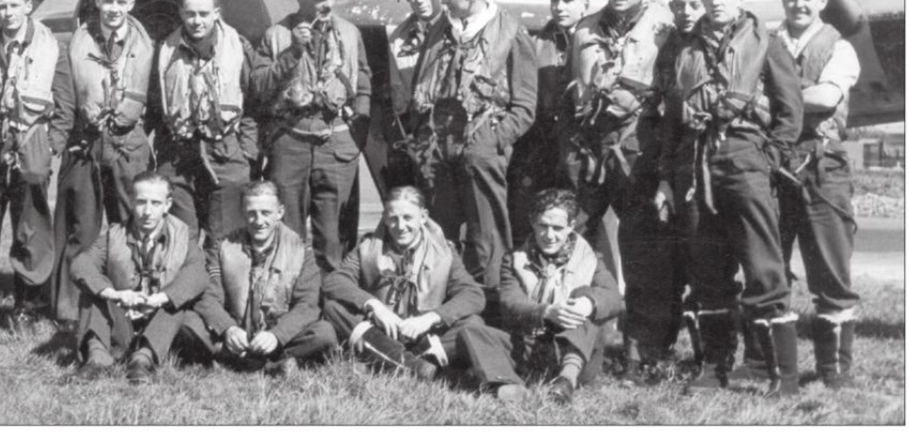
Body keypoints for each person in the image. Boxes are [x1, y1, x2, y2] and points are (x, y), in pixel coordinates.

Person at [661, 0, 804, 397]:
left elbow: (790, 110)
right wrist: (669, 173)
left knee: (763, 267)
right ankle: (715, 367)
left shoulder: (766, 43)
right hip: (695, 162)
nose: (715, 2)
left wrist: (768, 158)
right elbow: (671, 116)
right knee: (707, 268)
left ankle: (781, 374)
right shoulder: (683, 47)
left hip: (744, 158)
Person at [564, 0, 672, 378]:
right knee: (578, 249)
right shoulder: (585, 29)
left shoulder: (662, 24)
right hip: (592, 153)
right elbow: (576, 91)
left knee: (641, 253)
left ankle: (639, 355)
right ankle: (578, 349)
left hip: (637, 152)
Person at [322, 186, 525, 402]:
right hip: (383, 330)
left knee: (472, 323)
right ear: (385, 218)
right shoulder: (368, 247)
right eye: (393, 218)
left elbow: (472, 294)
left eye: (408, 217)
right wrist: (374, 305)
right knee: (334, 308)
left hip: (428, 336)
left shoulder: (444, 250)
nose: (401, 226)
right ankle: (416, 366)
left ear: (423, 217)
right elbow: (335, 281)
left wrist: (431, 318)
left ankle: (388, 361)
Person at [408, 0, 537, 287]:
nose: (443, 0)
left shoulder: (510, 33)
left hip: (481, 145)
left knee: (487, 238)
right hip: (437, 146)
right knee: (438, 232)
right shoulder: (440, 28)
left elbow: (525, 105)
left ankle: (491, 305)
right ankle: (444, 302)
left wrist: (491, 143)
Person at [49, 0, 157, 326]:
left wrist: (136, 132)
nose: (113, 8)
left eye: (120, 2)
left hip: (128, 145)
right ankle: (71, 310)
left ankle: (134, 305)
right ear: (96, 2)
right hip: (85, 144)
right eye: (107, 1)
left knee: (132, 225)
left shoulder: (149, 47)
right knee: (81, 228)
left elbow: (157, 100)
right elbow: (65, 96)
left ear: (131, 4)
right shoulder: (74, 44)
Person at [250, 0, 371, 272]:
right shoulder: (276, 35)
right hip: (290, 140)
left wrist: (357, 131)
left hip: (336, 142)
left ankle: (333, 294)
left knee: (334, 237)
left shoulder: (350, 33)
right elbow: (259, 87)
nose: (327, 5)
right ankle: (291, 292)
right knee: (288, 233)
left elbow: (364, 81)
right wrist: (293, 52)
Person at [774, 0, 860, 389]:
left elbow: (826, 96)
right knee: (769, 269)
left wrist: (771, 98)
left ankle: (834, 372)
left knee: (830, 272)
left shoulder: (839, 47)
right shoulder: (767, 42)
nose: (799, 4)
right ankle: (774, 369)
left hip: (822, 168)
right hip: (773, 165)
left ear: (822, 1)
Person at [0, 0, 58, 328]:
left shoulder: (51, 46)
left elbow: (65, 97)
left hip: (31, 143)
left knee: (30, 228)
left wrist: (52, 144)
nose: (8, 13)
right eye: (1, 6)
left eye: (14, 5)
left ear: (28, 5)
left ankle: (28, 305)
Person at [186, 180, 337, 375]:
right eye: (252, 213)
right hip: (236, 334)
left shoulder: (301, 250)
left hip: (277, 337)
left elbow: (307, 304)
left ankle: (246, 362)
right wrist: (228, 328)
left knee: (324, 333)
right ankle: (266, 364)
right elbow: (209, 297)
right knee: (188, 323)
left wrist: (277, 336)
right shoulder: (222, 247)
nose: (258, 221)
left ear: (279, 212)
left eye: (266, 213)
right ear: (243, 213)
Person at [70, 171, 208, 384]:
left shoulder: (182, 236)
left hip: (162, 322)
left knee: (176, 301)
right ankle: (97, 359)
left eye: (155, 203)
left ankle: (142, 361)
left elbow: (198, 273)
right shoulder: (114, 235)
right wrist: (115, 294)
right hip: (125, 317)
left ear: (167, 205)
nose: (147, 211)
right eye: (141, 202)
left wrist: (159, 299)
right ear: (131, 201)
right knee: (93, 292)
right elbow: (81, 265)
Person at [498, 188, 624, 404]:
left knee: (586, 297)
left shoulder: (591, 259)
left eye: (557, 228)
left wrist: (586, 304)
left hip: (576, 352)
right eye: (543, 226)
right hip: (530, 345)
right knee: (475, 330)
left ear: (571, 226)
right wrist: (546, 311)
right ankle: (505, 385)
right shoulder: (514, 258)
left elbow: (614, 299)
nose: (549, 236)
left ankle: (566, 381)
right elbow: (510, 301)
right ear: (532, 222)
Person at [153, 0, 258, 241]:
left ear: (216, 13)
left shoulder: (238, 47)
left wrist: (247, 153)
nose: (197, 21)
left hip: (225, 154)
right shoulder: (165, 50)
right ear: (181, 13)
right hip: (179, 156)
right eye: (190, 14)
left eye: (204, 14)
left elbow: (253, 103)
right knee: (180, 239)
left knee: (223, 240)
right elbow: (155, 106)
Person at [646, 0, 707, 368]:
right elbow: (669, 120)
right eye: (679, 5)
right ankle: (665, 348)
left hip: (713, 164)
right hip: (680, 164)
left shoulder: (722, 46)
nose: (686, 12)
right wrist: (666, 178)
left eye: (694, 4)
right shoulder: (669, 49)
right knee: (673, 259)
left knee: (709, 260)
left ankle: (715, 355)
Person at [509, 0, 590, 246]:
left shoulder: (595, 39)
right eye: (555, 0)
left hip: (581, 144)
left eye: (568, 0)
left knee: (581, 219)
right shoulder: (537, 43)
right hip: (543, 142)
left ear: (585, 3)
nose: (559, 7)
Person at [384, 0, 445, 188]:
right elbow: (398, 92)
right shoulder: (399, 38)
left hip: (451, 132)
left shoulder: (459, 29)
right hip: (419, 133)